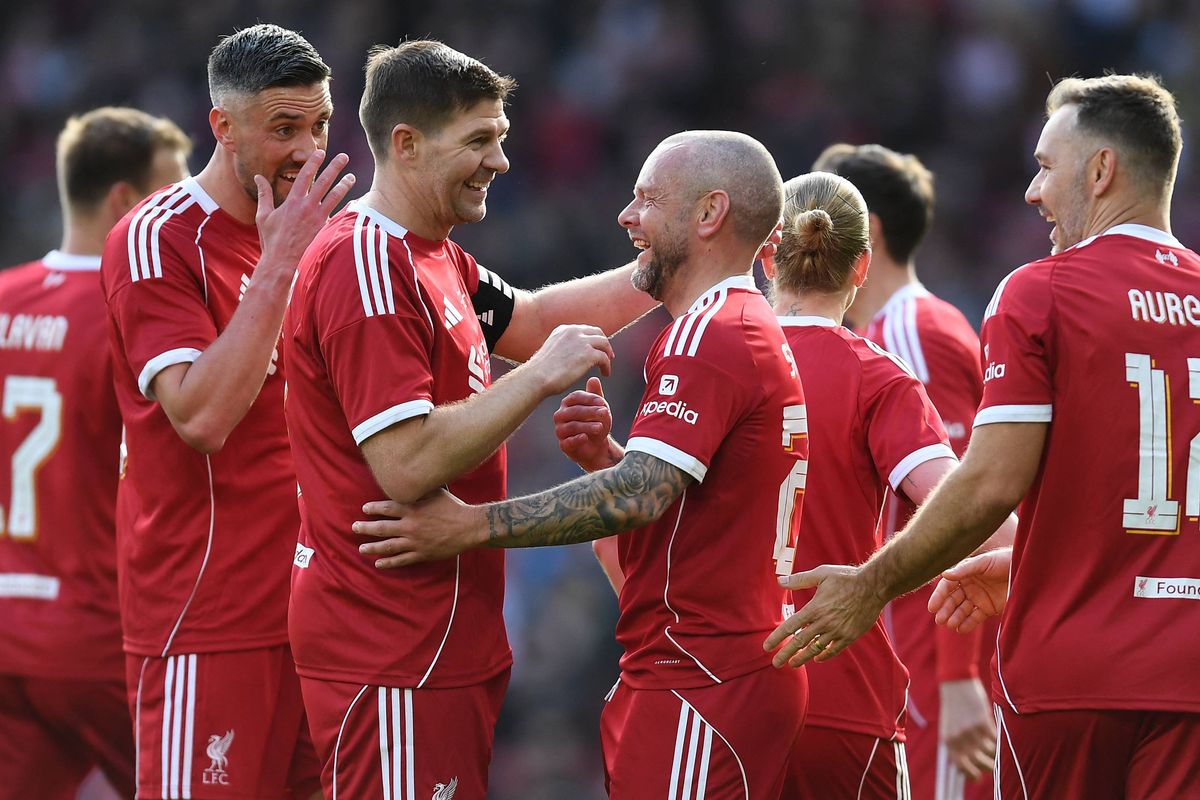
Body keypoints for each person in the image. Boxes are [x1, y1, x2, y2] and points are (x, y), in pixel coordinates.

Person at [767, 74, 1200, 799]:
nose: (1034, 192)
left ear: (1101, 171)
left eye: (1044, 166)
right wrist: (1022, 559)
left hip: (1071, 673)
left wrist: (871, 586)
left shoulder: (1041, 291)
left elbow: (989, 485)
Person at [354, 129, 808, 799]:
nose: (627, 218)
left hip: (702, 679)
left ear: (710, 214)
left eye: (647, 200)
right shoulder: (734, 326)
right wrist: (608, 457)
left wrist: (471, 526)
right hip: (711, 673)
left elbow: (639, 498)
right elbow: (696, 516)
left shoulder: (710, 335)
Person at [282, 40, 657, 798]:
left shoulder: (434, 257)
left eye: (503, 138)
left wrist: (672, 264)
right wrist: (539, 380)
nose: (501, 160)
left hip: (439, 638)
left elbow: (537, 315)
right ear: (407, 144)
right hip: (387, 641)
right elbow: (406, 463)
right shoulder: (367, 266)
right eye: (479, 140)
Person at [100, 24, 353, 800]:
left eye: (319, 125)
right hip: (207, 621)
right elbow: (201, 418)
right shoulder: (158, 238)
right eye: (284, 129)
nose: (309, 150)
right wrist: (280, 265)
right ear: (223, 128)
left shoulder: (327, 239)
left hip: (319, 617)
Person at [0, 106, 189, 800]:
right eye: (171, 197)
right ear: (125, 201)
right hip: (93, 632)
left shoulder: (3, 296)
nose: (185, 216)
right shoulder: (127, 312)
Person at [757, 170, 954, 797]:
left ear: (767, 255)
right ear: (862, 265)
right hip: (842, 691)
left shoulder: (707, 360)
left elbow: (625, 540)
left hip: (718, 692)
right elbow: (961, 506)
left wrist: (604, 458)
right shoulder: (879, 377)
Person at [813, 143, 997, 799]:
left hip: (933, 661)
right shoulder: (879, 337)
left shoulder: (914, 334)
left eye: (816, 216)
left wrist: (956, 675)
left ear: (871, 232)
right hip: (903, 658)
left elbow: (964, 503)